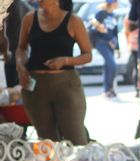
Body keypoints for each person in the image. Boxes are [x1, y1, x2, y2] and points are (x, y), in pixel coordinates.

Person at [16, 0, 91, 144]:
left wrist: (65, 61)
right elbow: (21, 48)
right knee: (47, 139)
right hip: (35, 86)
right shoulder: (29, 18)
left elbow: (87, 55)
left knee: (75, 136)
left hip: (65, 85)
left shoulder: (73, 20)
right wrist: (20, 66)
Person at [88, 0, 119, 99]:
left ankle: (109, 89)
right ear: (111, 3)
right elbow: (93, 25)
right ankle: (107, 89)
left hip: (111, 44)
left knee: (109, 66)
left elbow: (115, 32)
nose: (117, 4)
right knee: (112, 64)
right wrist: (98, 26)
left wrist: (118, 48)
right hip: (101, 43)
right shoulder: (101, 13)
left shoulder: (113, 15)